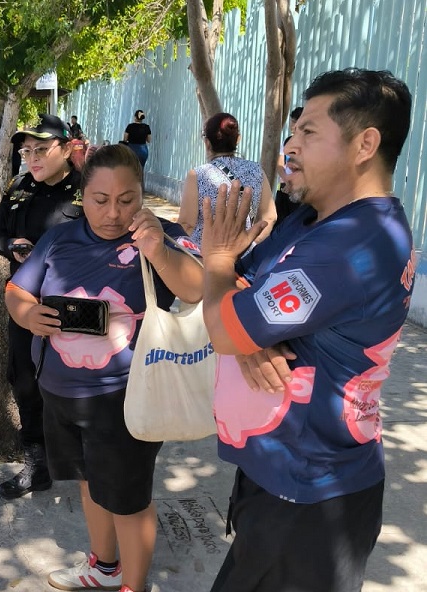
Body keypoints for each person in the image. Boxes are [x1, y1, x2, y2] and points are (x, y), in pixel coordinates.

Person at [200, 68, 415, 592]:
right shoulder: (312, 218)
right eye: (293, 132)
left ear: (365, 144)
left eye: (308, 133)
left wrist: (218, 262)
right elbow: (242, 304)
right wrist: (248, 333)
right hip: (281, 476)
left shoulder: (354, 245)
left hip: (310, 501)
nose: (289, 147)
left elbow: (227, 321)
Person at [6, 144, 203, 592]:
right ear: (83, 196)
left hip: (128, 398)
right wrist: (26, 314)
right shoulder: (60, 238)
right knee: (89, 483)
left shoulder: (161, 235)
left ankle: (133, 585)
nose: (113, 213)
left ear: (141, 193)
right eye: (100, 200)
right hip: (61, 392)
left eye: (127, 199)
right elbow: (17, 291)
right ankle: (103, 567)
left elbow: (198, 290)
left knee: (129, 499)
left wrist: (157, 250)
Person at [0, 113, 84, 500]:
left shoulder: (87, 188)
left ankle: (84, 464)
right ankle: (37, 464)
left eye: (41, 149)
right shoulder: (18, 187)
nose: (33, 158)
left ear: (66, 148)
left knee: (79, 383)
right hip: (24, 302)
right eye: (27, 151)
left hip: (75, 307)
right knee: (26, 382)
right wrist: (9, 246)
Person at [177, 112, 276, 248]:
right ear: (238, 139)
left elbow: (186, 224)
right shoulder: (257, 170)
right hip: (244, 258)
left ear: (207, 143)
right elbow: (269, 217)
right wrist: (249, 246)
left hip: (205, 257)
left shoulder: (197, 175)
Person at [274, 106, 304, 226]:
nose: (292, 126)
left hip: (298, 188)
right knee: (279, 219)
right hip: (283, 186)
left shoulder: (307, 143)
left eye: (295, 122)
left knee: (295, 220)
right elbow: (280, 164)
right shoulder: (287, 141)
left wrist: (292, 183)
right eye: (291, 122)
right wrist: (286, 180)